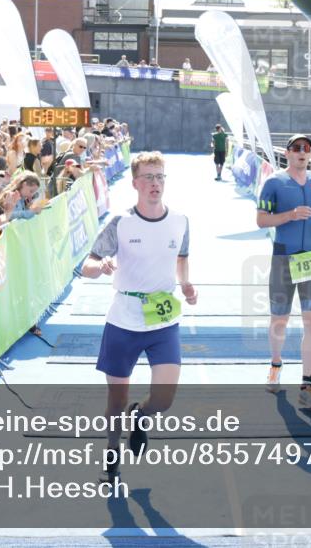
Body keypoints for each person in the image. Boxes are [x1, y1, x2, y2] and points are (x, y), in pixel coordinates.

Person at [80, 152, 197, 482]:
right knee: (116, 400)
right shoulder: (121, 223)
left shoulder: (181, 221)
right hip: (124, 320)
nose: (155, 183)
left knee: (164, 399)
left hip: (163, 320)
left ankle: (141, 414)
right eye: (148, 177)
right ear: (135, 183)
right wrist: (100, 267)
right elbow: (87, 264)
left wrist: (186, 284)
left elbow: (182, 258)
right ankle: (112, 452)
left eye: (159, 177)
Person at [256, 134, 311, 410]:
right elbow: (261, 220)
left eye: (307, 148)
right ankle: (276, 365)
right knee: (280, 320)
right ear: (287, 153)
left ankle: (306, 385)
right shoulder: (274, 183)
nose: (303, 152)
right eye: (297, 148)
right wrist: (290, 215)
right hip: (283, 259)